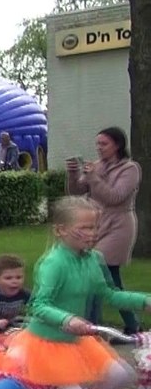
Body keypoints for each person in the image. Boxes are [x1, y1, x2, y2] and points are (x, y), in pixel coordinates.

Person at [6, 196, 151, 389]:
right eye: (84, 227)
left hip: (77, 341)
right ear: (61, 230)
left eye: (94, 227)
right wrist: (68, 319)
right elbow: (39, 305)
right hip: (47, 342)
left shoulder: (93, 259)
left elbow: (109, 295)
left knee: (120, 375)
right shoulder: (53, 264)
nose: (92, 233)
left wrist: (145, 301)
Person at [67, 126, 142, 334]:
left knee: (96, 271)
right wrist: (73, 174)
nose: (99, 148)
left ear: (117, 145)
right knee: (111, 279)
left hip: (119, 225)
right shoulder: (97, 166)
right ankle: (132, 324)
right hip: (97, 224)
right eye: (97, 144)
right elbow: (76, 192)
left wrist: (93, 178)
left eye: (104, 144)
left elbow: (115, 197)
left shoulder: (130, 169)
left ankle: (92, 325)